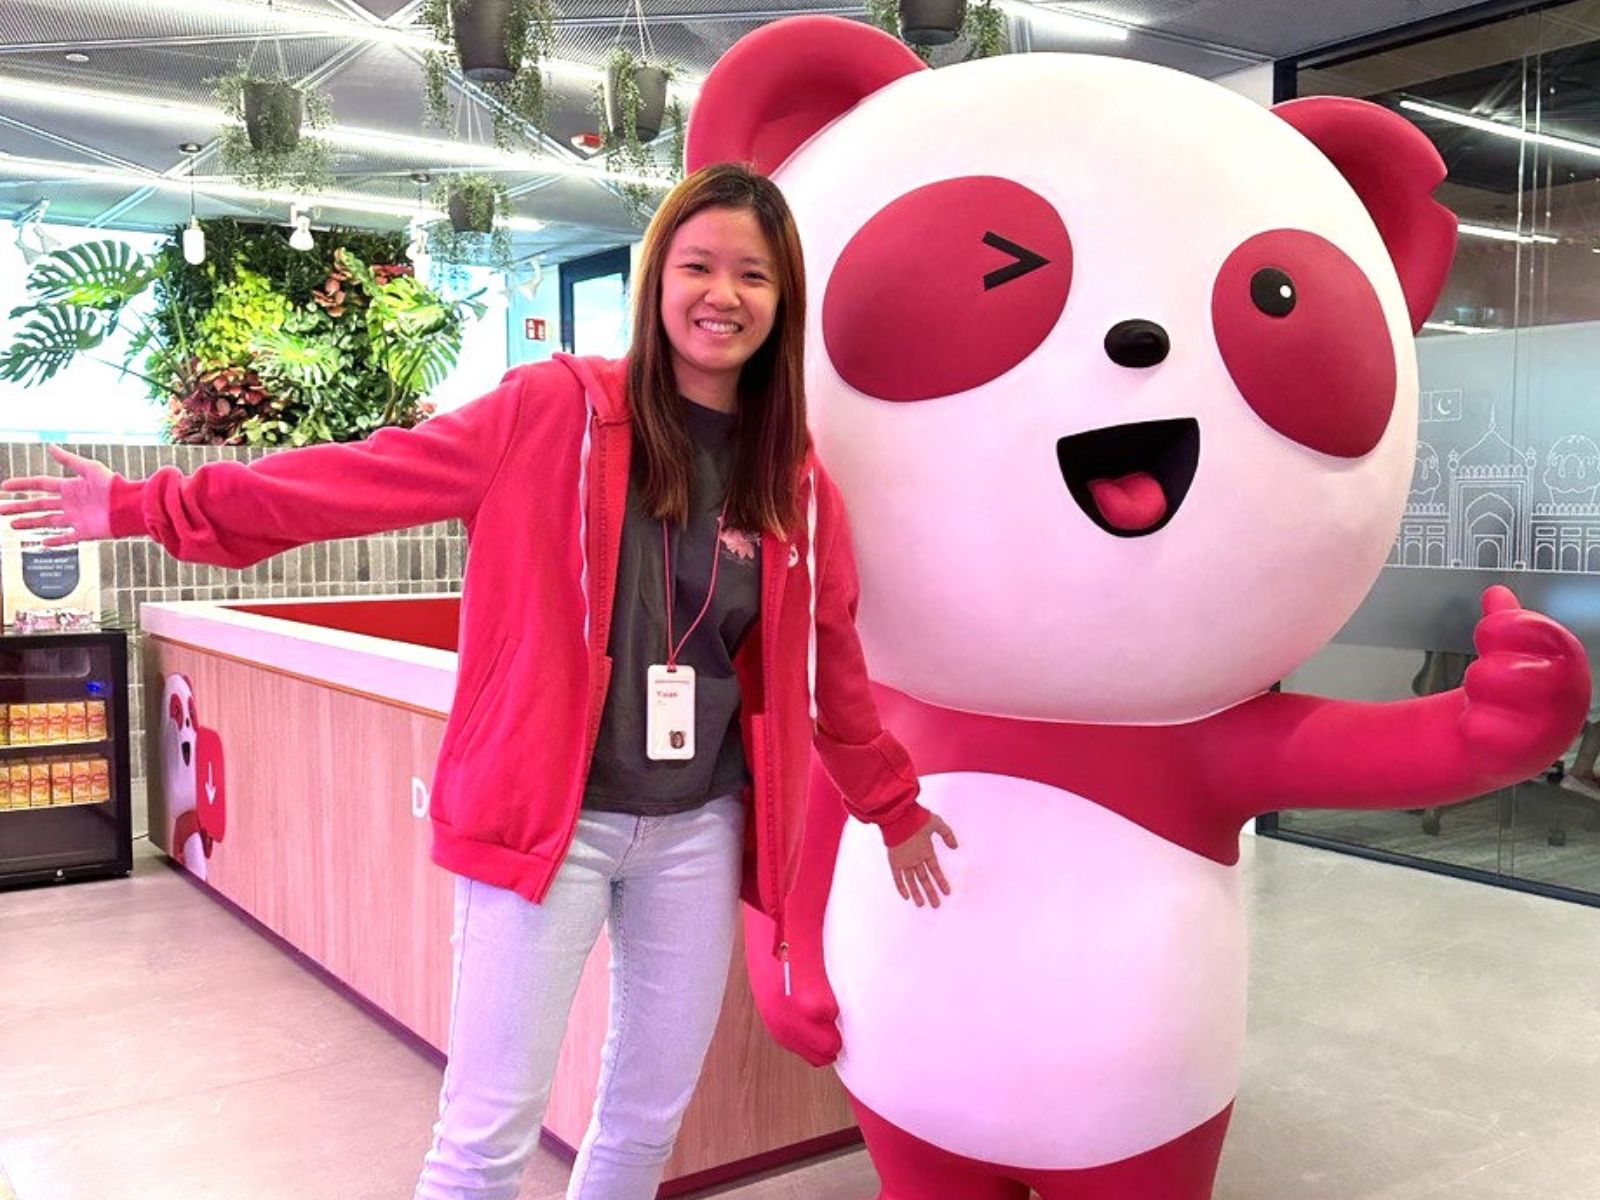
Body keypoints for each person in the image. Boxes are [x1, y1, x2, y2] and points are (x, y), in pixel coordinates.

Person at [0, 162, 957, 1200]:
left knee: (644, 1124)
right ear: (657, 282)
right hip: (544, 820)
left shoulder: (793, 478)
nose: (722, 295)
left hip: (696, 828)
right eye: (698, 265)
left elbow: (831, 663)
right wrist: (151, 505)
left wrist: (891, 807)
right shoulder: (552, 414)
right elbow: (350, 483)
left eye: (753, 276)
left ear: (782, 303)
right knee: (488, 1135)